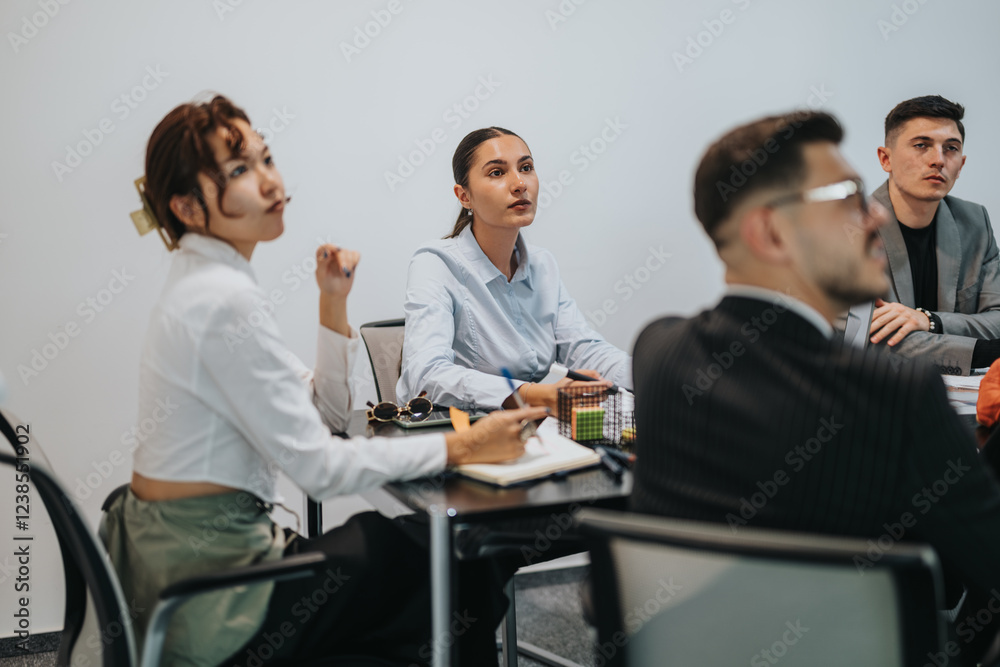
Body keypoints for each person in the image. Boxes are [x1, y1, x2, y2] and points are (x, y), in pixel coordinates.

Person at [101, 95, 545, 667]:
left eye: (265, 158)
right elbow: (318, 469)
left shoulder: (207, 281)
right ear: (186, 206)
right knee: (453, 558)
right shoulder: (221, 300)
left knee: (422, 556)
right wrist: (463, 444)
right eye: (239, 171)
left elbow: (330, 414)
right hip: (216, 591)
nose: (268, 180)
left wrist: (331, 304)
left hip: (195, 558)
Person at [630, 110, 1000, 664]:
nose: (874, 215)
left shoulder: (657, 352)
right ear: (771, 231)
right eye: (847, 197)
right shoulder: (895, 397)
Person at [396, 126, 630, 413]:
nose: (520, 183)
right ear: (464, 196)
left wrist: (656, 375)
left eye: (526, 167)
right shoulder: (436, 263)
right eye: (497, 172)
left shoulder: (543, 264)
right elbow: (426, 375)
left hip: (534, 432)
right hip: (466, 436)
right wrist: (535, 395)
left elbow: (583, 349)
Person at [857, 95, 1000, 375]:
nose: (938, 160)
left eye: (951, 148)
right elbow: (864, 337)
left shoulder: (975, 222)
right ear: (885, 159)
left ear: (961, 165)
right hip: (877, 397)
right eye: (921, 145)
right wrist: (982, 352)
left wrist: (930, 320)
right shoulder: (849, 228)